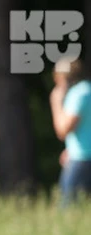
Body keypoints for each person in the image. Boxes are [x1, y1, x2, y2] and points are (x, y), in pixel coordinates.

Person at [50, 57, 91, 205]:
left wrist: (56, 102)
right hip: (80, 154)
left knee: (68, 209)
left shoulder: (78, 95)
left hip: (82, 158)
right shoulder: (88, 90)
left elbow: (63, 130)